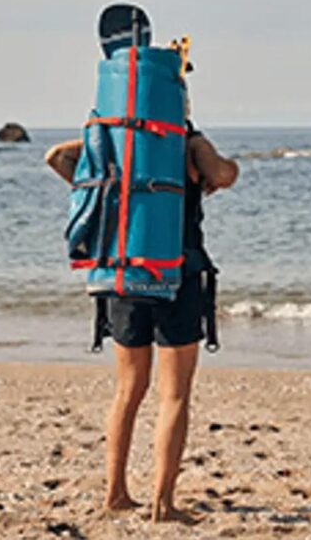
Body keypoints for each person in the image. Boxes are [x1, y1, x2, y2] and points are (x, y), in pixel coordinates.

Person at [45, 120, 238, 522]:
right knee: (174, 394)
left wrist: (107, 133)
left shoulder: (114, 143)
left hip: (125, 273)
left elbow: (56, 158)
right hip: (177, 275)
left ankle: (115, 492)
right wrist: (200, 147)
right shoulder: (187, 143)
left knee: (128, 390)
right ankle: (163, 502)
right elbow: (224, 175)